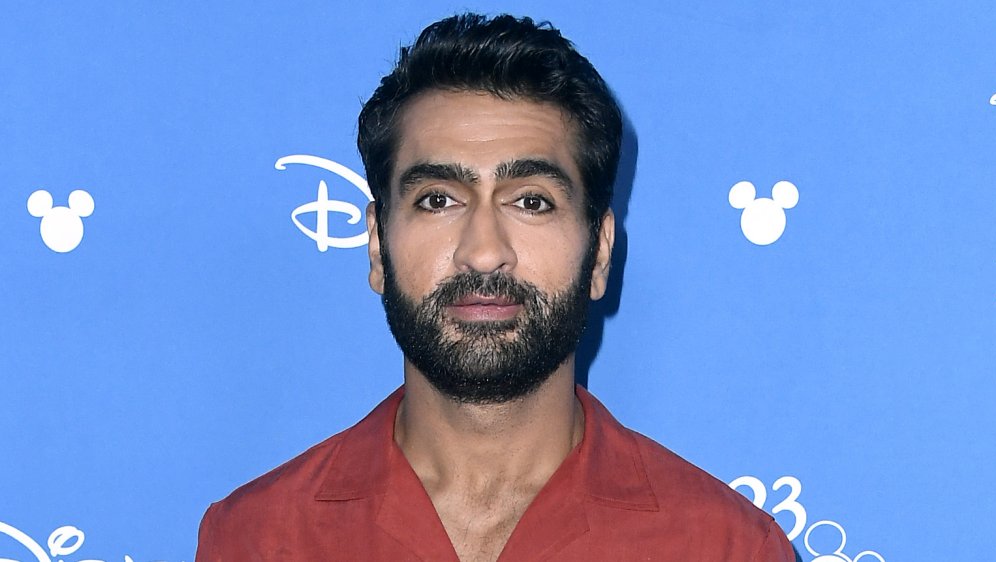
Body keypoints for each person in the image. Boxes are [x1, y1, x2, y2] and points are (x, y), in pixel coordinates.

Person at [196, 13, 795, 562]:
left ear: (599, 253)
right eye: (438, 200)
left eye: (531, 201)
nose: (484, 250)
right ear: (377, 244)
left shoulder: (724, 547)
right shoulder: (257, 538)